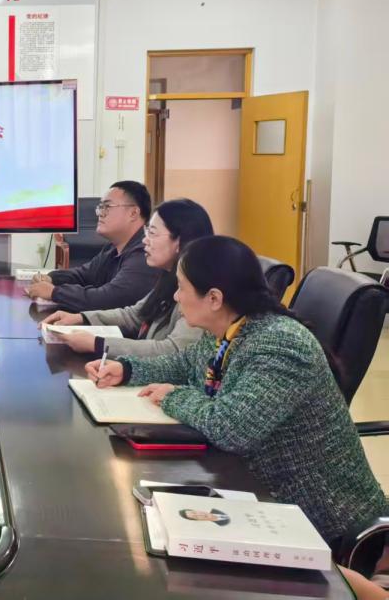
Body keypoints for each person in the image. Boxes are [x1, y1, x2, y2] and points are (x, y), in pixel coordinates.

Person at [87, 235, 388, 545]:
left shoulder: (279, 344)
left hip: (322, 522)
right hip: (257, 491)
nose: (176, 296)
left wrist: (174, 396)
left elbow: (231, 428)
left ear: (214, 298)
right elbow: (186, 364)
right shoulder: (231, 327)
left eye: (182, 288)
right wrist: (128, 370)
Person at [43, 198, 213, 358]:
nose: (145, 240)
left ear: (180, 242)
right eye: (147, 232)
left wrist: (98, 344)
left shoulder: (198, 290)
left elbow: (173, 351)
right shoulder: (168, 277)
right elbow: (135, 315)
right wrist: (81, 318)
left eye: (152, 233)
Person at [26, 181, 161, 312]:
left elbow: (108, 299)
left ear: (133, 213)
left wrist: (55, 292)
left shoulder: (145, 253)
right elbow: (83, 275)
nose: (100, 213)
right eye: (100, 207)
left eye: (107, 207)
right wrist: (51, 278)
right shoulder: (113, 248)